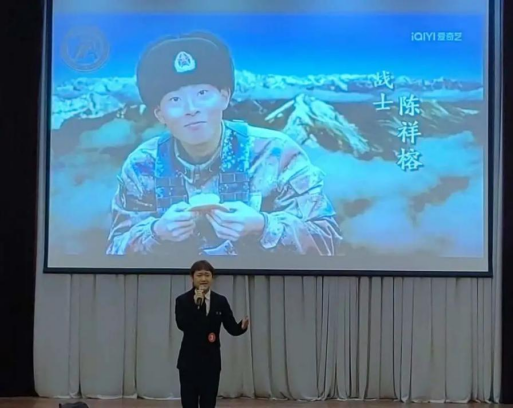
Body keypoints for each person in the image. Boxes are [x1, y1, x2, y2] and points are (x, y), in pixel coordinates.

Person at [106, 31, 342, 257]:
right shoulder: (142, 165)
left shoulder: (277, 153)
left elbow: (327, 239)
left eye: (202, 93)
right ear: (160, 114)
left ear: (225, 97)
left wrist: (262, 226)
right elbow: (115, 248)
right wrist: (156, 233)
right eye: (175, 99)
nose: (191, 109)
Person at [176, 260, 249, 408]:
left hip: (211, 361)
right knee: (189, 402)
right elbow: (182, 325)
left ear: (212, 278)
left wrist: (241, 327)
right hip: (189, 361)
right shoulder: (183, 300)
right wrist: (196, 306)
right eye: (199, 275)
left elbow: (231, 327)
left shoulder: (220, 301)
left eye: (207, 275)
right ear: (192, 277)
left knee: (208, 402)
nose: (203, 279)